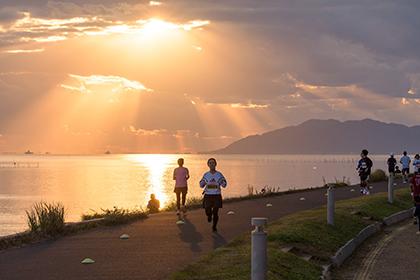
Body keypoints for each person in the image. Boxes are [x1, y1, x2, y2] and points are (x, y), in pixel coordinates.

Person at [200, 158, 227, 232]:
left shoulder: (219, 174)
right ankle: (209, 215)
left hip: (217, 195)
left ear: (216, 164)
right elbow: (201, 185)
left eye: (213, 163)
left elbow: (224, 184)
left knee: (215, 211)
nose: (212, 164)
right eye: (210, 163)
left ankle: (214, 227)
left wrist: (222, 182)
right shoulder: (206, 175)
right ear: (208, 165)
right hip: (208, 195)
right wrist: (202, 183)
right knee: (207, 209)